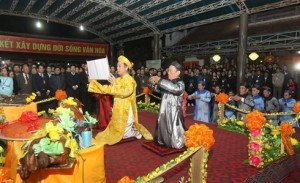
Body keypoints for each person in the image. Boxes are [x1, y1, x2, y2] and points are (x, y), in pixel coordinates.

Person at [88, 55, 153, 145]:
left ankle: (135, 132)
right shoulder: (118, 79)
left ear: (126, 68)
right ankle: (131, 130)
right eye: (117, 66)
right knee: (115, 131)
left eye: (119, 66)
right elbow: (108, 89)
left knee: (125, 134)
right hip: (118, 108)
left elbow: (125, 92)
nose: (117, 68)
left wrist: (115, 84)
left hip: (126, 110)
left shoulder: (130, 80)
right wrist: (93, 82)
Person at [149, 61, 186, 149]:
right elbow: (156, 89)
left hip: (174, 111)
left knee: (173, 127)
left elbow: (175, 89)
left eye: (170, 71)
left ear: (178, 73)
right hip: (163, 109)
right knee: (163, 125)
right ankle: (163, 141)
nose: (168, 72)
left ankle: (176, 142)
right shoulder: (166, 83)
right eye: (168, 70)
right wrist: (151, 82)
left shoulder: (180, 84)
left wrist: (160, 80)